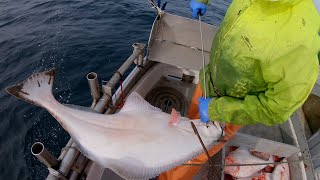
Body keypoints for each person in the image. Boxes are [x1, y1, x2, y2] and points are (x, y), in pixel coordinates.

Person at [158, 0, 320, 179]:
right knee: (183, 131)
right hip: (209, 81)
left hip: (227, 111)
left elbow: (277, 108)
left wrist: (217, 109)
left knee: (192, 153)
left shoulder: (300, 42)